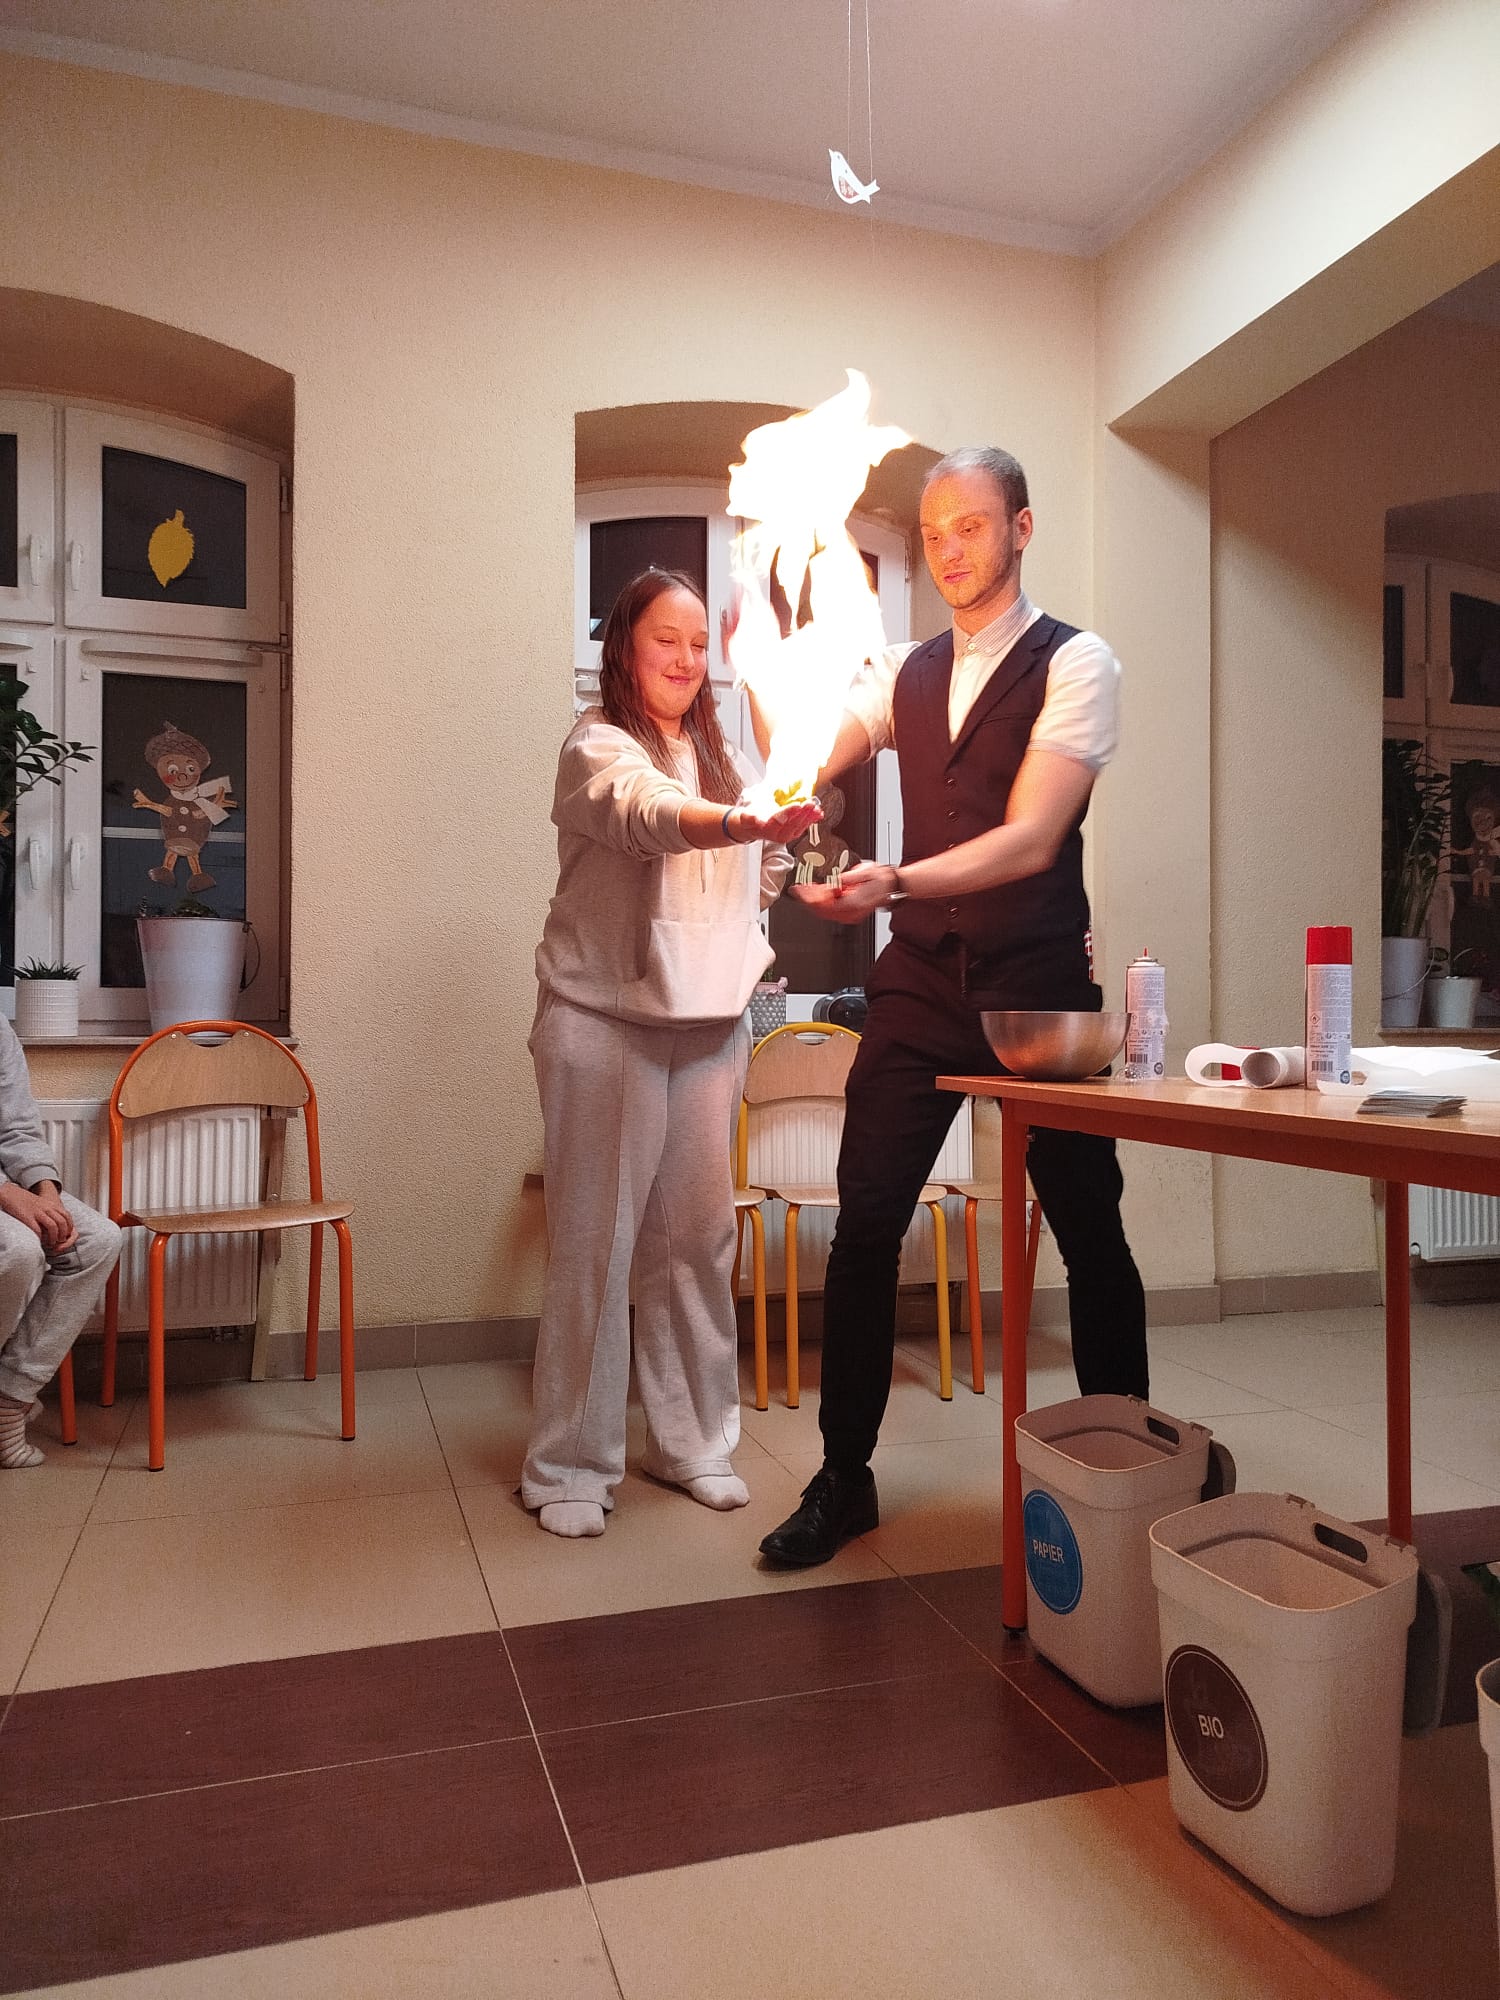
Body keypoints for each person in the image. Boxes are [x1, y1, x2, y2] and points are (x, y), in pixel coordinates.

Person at [759, 446, 1147, 1567]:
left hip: (1037, 985)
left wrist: (892, 880)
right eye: (932, 534)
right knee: (865, 1226)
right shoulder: (903, 670)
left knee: (1089, 1232)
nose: (949, 551)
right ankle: (844, 1477)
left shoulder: (1078, 663)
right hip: (922, 981)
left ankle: (1129, 1467)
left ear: (1021, 527)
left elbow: (1031, 837)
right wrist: (796, 781)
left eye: (970, 526)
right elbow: (830, 742)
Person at [522, 568, 818, 1539]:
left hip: (711, 1026)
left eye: (699, 643)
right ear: (624, 646)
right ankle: (569, 1464)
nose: (687, 658)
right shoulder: (596, 747)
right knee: (595, 1245)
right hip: (603, 1020)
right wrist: (738, 821)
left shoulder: (724, 764)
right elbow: (647, 816)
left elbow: (751, 885)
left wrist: (777, 831)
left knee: (696, 1242)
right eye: (666, 639)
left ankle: (691, 1442)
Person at [0, 1018, 123, 1469]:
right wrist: (8, 1194)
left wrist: (45, 1190)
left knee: (96, 1240)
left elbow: (16, 1125)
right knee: (18, 1248)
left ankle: (8, 1400)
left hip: (9, 1183)